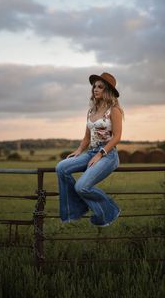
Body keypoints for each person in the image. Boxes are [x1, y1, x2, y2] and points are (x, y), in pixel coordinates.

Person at [55, 72, 123, 227]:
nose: (95, 89)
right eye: (94, 87)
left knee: (82, 186)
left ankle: (109, 211)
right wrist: (79, 150)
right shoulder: (91, 111)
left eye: (100, 87)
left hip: (108, 154)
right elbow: (87, 137)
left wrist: (100, 154)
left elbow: (117, 137)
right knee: (61, 167)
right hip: (91, 152)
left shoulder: (114, 110)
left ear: (108, 90)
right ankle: (76, 210)